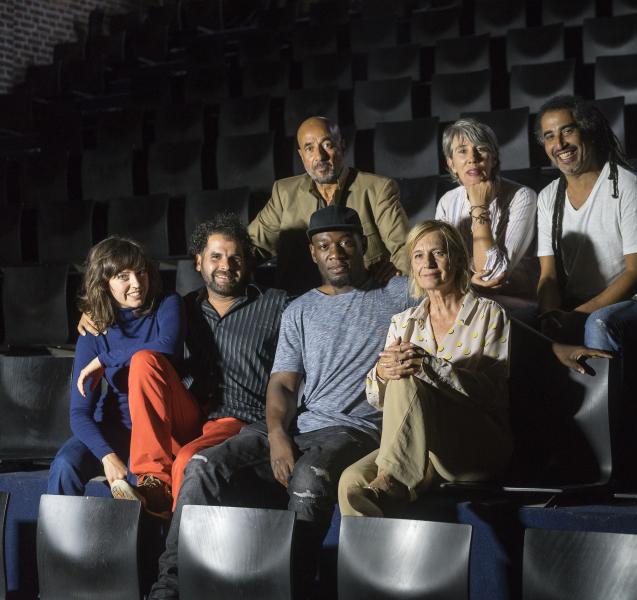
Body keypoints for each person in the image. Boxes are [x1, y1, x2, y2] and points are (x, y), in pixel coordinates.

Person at [149, 205, 414, 599]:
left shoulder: (398, 293)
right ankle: (169, 589)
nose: (336, 253)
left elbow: (452, 286)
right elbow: (284, 385)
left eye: (346, 243)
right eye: (325, 245)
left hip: (356, 428)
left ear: (363, 246)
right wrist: (276, 433)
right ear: (313, 252)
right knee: (203, 466)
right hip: (300, 423)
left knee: (309, 479)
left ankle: (292, 590)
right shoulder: (300, 309)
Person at [108, 213, 290, 516]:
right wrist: (91, 313)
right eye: (215, 256)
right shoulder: (181, 307)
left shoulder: (277, 304)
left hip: (239, 419)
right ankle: (152, 479)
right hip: (191, 413)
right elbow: (126, 311)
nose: (225, 266)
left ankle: (175, 557)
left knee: (188, 461)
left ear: (247, 263)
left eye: (235, 258)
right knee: (144, 361)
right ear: (198, 262)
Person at [339, 219, 513, 518]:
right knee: (350, 481)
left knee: (409, 377)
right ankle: (376, 562)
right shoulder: (403, 322)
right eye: (418, 255)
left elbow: (491, 394)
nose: (428, 263)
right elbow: (378, 399)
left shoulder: (489, 314)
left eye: (438, 253)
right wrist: (382, 372)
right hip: (421, 446)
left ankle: (392, 482)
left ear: (457, 258)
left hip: (476, 445)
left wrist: (428, 366)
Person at [534, 95, 637, 364]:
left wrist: (578, 316)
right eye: (549, 136)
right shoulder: (548, 197)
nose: (559, 144)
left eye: (567, 131)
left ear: (588, 132)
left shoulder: (628, 185)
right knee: (512, 321)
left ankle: (611, 405)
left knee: (598, 323)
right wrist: (550, 316)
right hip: (576, 304)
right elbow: (548, 274)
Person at [48, 237, 183, 496]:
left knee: (140, 479)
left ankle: (144, 535)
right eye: (123, 276)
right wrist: (107, 455)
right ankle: (55, 538)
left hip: (157, 430)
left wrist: (104, 360)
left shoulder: (167, 305)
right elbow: (79, 413)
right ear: (104, 283)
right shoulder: (94, 329)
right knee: (65, 464)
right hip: (114, 427)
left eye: (141, 272)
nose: (136, 283)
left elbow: (167, 346)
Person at [248, 116, 410, 292]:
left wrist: (396, 272)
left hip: (363, 298)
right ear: (301, 155)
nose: (320, 156)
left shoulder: (377, 190)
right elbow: (251, 246)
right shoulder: (284, 193)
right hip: (300, 301)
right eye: (309, 148)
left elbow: (405, 248)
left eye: (327, 145)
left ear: (342, 145)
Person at [436, 117, 538, 305]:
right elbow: (443, 264)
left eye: (481, 149)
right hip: (464, 296)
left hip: (512, 300)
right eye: (462, 151)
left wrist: (479, 207)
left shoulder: (523, 197)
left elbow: (493, 274)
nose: (472, 159)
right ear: (451, 164)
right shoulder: (447, 201)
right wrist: (468, 282)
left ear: (494, 158)